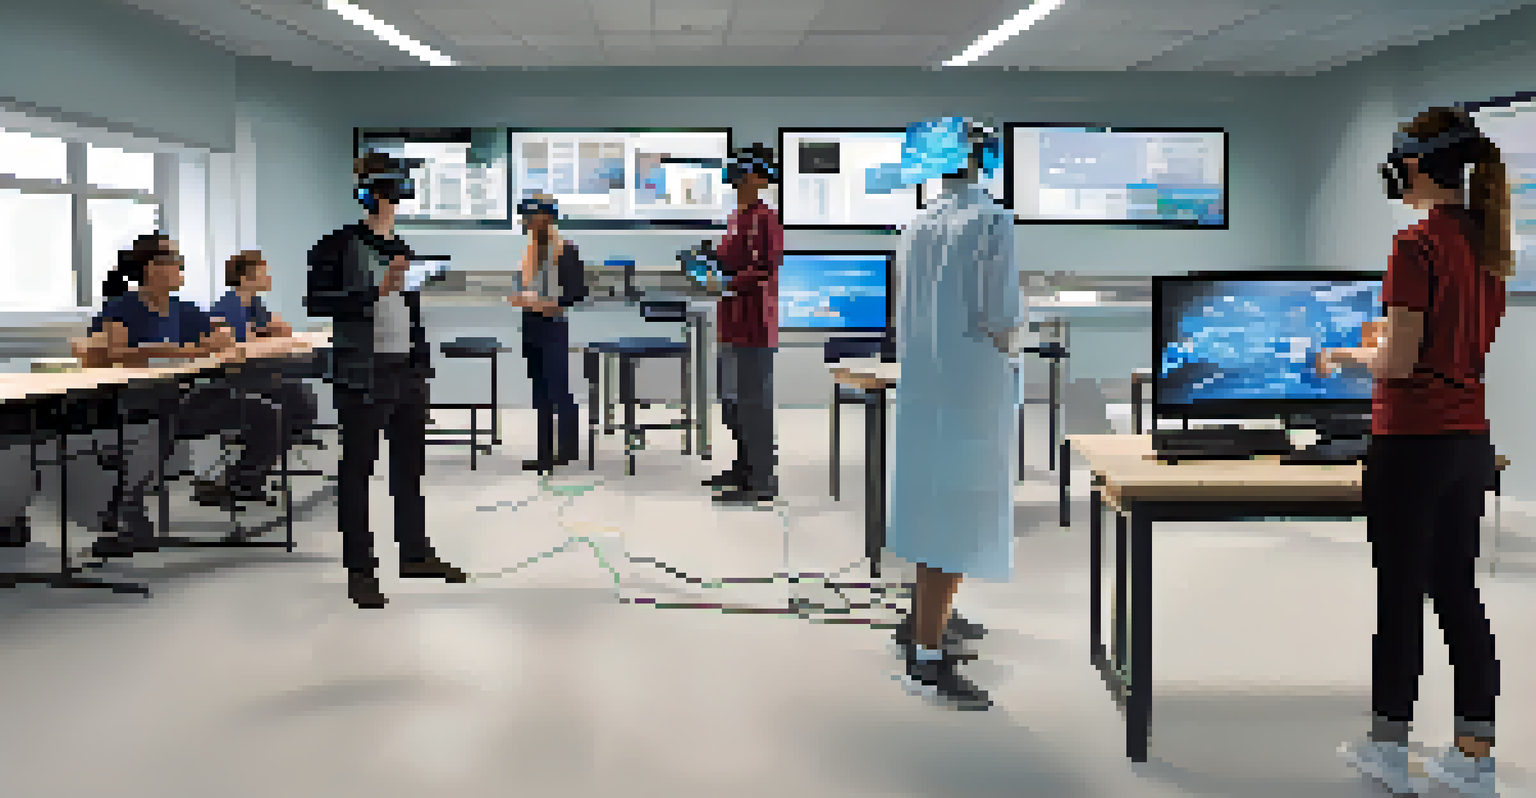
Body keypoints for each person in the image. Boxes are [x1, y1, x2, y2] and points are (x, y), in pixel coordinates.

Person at [1324, 106, 1507, 797]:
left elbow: (1398, 364)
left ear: (1414, 165)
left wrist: (1346, 353)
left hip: (1411, 443)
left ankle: (1388, 749)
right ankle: (1473, 758)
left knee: (1399, 595)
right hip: (1468, 441)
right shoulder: (1488, 247)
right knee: (1458, 590)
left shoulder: (1415, 245)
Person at [872, 118, 1018, 710]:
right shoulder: (992, 220)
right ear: (981, 157)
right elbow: (1002, 316)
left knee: (931, 503)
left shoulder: (917, 225)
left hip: (925, 384)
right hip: (972, 386)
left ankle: (924, 621)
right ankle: (926, 659)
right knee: (958, 514)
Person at [305, 151, 466, 609]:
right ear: (370, 194)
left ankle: (414, 553)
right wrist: (375, 290)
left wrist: (420, 362)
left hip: (406, 370)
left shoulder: (401, 247)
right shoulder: (335, 245)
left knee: (408, 470)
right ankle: (361, 571)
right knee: (357, 473)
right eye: (389, 192)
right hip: (362, 372)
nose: (395, 200)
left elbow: (407, 310)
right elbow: (317, 302)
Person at [71, 233, 239, 557]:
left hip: (170, 397)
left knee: (259, 408)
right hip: (127, 401)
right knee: (157, 426)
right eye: (174, 261)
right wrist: (186, 350)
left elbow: (223, 336)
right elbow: (117, 353)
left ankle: (236, 484)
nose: (180, 267)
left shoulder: (183, 308)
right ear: (151, 268)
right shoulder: (123, 306)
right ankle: (122, 513)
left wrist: (205, 343)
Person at [179, 250, 314, 508]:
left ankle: (251, 473)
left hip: (252, 375)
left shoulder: (254, 303)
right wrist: (261, 333)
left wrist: (261, 333)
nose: (269, 275)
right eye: (263, 271)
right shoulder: (230, 305)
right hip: (231, 380)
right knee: (290, 400)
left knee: (298, 399)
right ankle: (243, 477)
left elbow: (281, 329)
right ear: (246, 277)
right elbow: (237, 344)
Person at [700, 143, 783, 504]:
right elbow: (727, 262)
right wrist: (705, 263)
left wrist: (731, 281)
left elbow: (766, 268)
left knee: (753, 403)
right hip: (730, 321)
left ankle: (762, 481)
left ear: (754, 178)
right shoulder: (736, 217)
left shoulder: (766, 218)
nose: (735, 181)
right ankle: (743, 465)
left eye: (740, 175)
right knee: (731, 402)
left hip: (754, 324)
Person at [507, 193, 588, 473]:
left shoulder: (565, 249)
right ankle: (544, 454)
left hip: (552, 325)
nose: (527, 222)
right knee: (539, 392)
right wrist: (519, 297)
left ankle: (567, 449)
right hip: (530, 325)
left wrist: (551, 303)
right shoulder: (529, 251)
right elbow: (521, 286)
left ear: (547, 217)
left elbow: (577, 291)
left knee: (558, 389)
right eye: (525, 217)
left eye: (532, 216)